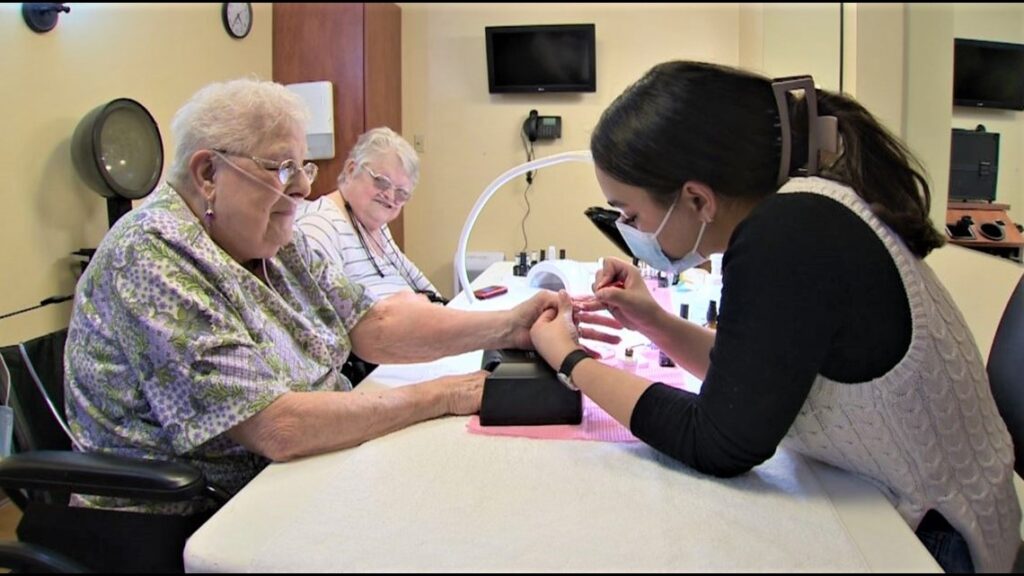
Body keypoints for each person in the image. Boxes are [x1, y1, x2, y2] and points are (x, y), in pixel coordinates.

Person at [528, 61, 1020, 573]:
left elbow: (718, 441)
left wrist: (568, 358)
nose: (628, 231)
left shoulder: (787, 235)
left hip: (937, 541)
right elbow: (750, 379)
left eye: (630, 215)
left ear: (697, 199)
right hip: (923, 508)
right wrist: (650, 319)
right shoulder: (801, 211)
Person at [63, 78, 561, 516]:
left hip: (289, 477)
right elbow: (277, 427)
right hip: (193, 512)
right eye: (282, 168)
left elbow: (373, 325)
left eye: (303, 166)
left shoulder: (276, 239)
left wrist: (509, 324)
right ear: (207, 174)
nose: (304, 186)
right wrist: (448, 393)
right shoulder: (152, 254)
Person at [295, 127, 442, 302]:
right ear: (351, 170)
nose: (390, 196)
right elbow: (329, 316)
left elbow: (420, 282)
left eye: (401, 193)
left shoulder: (375, 226)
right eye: (381, 182)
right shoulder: (320, 227)